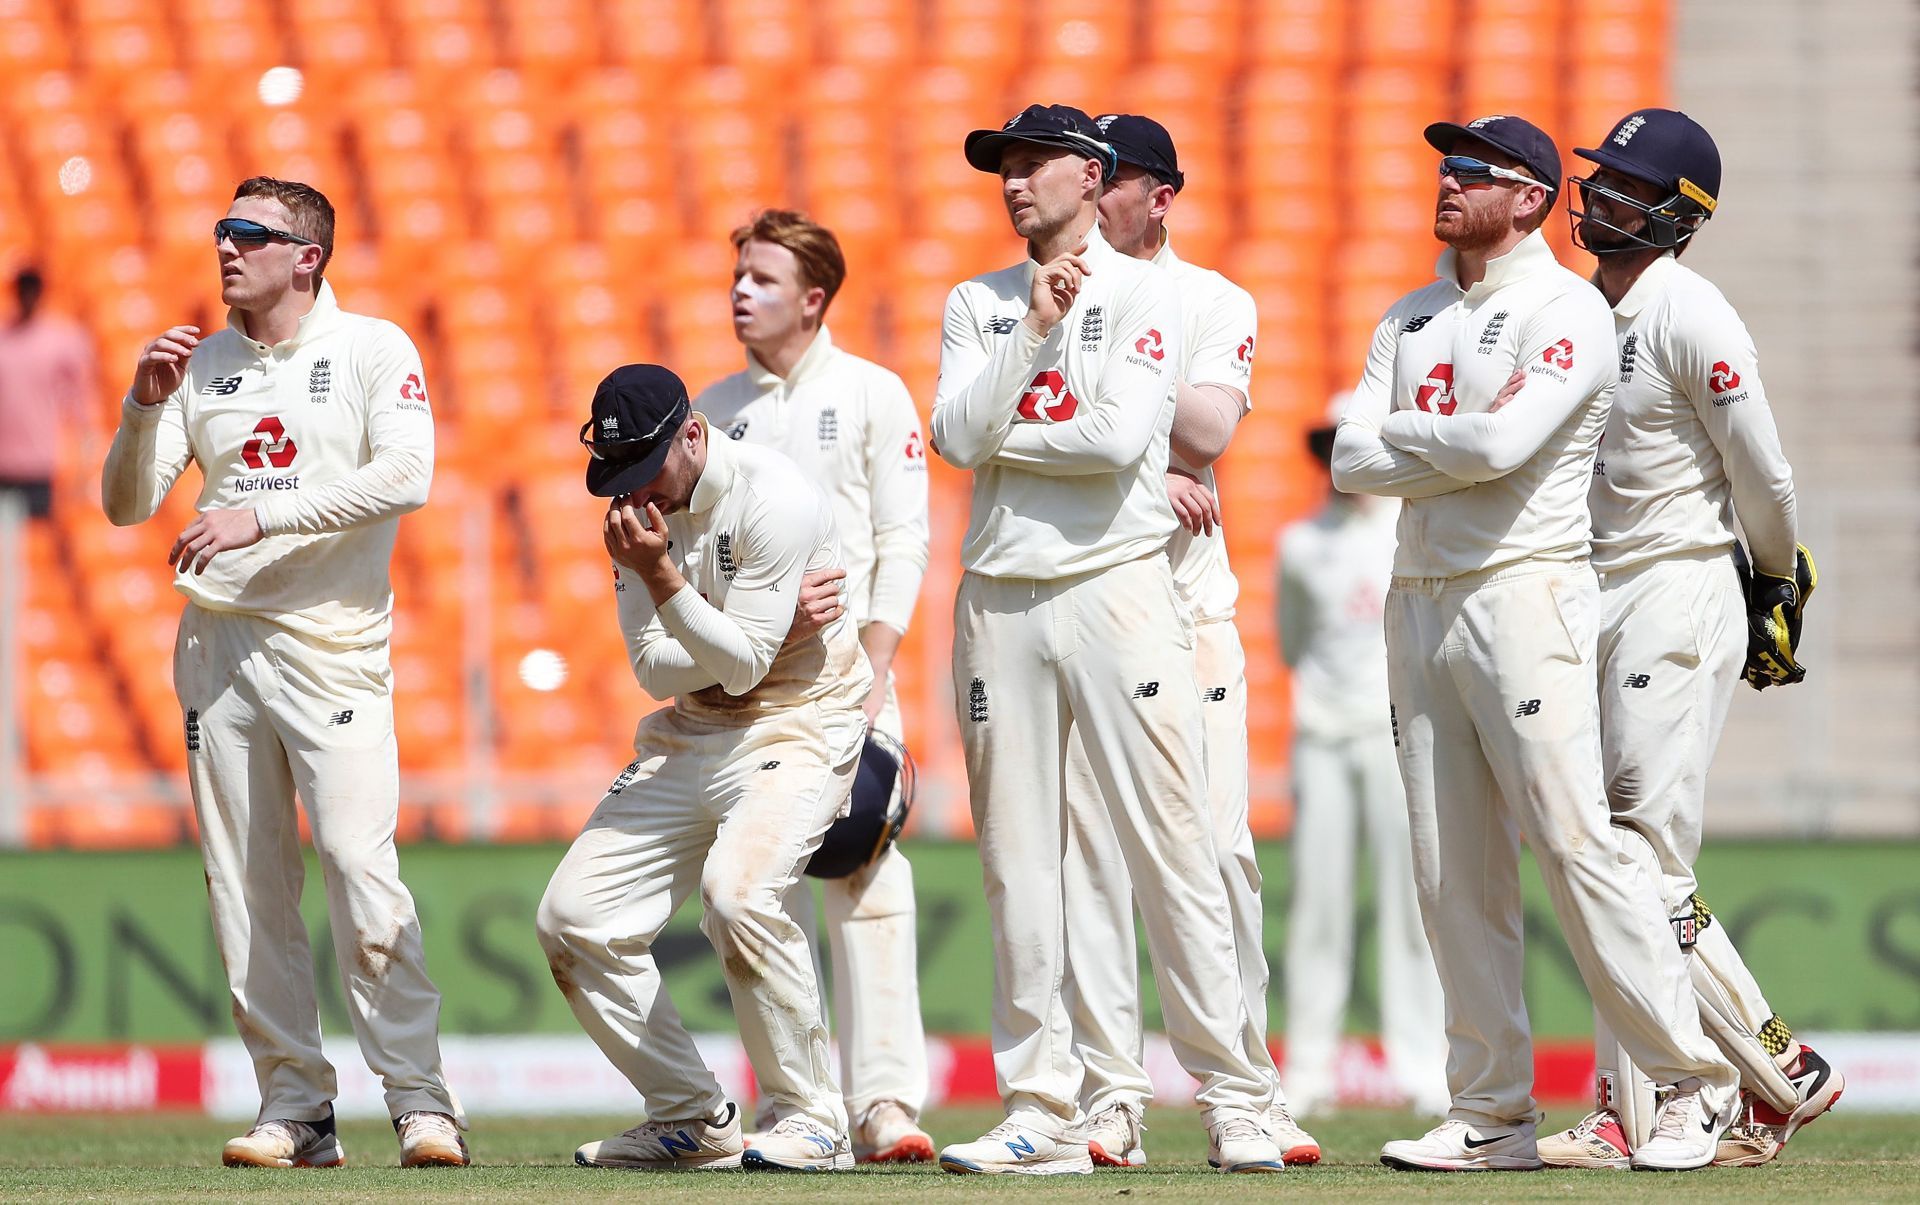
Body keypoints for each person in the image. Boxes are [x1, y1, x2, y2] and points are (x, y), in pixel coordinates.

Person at [1329, 113, 1741, 1172]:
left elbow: (1501, 443)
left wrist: (1413, 438)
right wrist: (1448, 447)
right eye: (1444, 165)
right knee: (1449, 866)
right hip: (1419, 592)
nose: (1448, 180)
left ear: (1531, 198)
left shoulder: (1565, 308)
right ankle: (1492, 1111)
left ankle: (1690, 1088)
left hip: (1524, 592)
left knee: (1576, 843)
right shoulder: (1412, 313)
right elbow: (1346, 459)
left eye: (1475, 170)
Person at [931, 103, 1284, 1176]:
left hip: (1115, 585)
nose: (1013, 182)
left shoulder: (1151, 295)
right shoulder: (979, 300)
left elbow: (1119, 438)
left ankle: (1239, 1096)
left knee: (1176, 845)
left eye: (1034, 164)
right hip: (997, 593)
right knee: (1021, 860)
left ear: (1091, 176)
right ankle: (1046, 1105)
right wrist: (1032, 340)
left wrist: (1007, 431)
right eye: (1003, 166)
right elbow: (950, 436)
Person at [99, 177, 467, 1169]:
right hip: (219, 646)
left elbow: (409, 472)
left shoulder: (371, 348)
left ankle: (422, 1101)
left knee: (358, 867)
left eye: (249, 234)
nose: (225, 247)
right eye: (222, 230)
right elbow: (127, 506)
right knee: (246, 883)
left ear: (307, 255)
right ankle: (296, 1106)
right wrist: (142, 408)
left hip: (332, 637)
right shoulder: (206, 360)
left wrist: (262, 513)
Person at [1535, 107, 1843, 1171]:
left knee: (1640, 863)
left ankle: (1765, 1069)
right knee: (1602, 857)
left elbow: (1766, 473)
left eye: (1626, 186)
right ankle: (1653, 1102)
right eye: (1599, 180)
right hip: (1596, 588)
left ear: (1677, 214)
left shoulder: (1693, 313)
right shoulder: (1580, 311)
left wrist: (1771, 581)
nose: (1600, 198)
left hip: (1677, 587)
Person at [1056, 113, 1317, 1168]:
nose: (1089, 188)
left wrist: (1120, 433)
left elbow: (1206, 433)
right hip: (1080, 604)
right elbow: (1022, 426)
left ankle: (1240, 1086)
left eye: (1109, 175)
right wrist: (1134, 456)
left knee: (1215, 852)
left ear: (1159, 195)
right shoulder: (1054, 289)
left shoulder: (1213, 299)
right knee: (1088, 862)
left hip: (1186, 608)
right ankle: (1109, 1096)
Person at [536, 364, 872, 1172]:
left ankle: (812, 1119)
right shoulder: (631, 517)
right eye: (616, 479)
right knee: (572, 920)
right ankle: (691, 1117)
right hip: (688, 730)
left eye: (643, 472)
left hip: (798, 720)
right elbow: (653, 672)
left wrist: (667, 583)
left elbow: (751, 667)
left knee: (739, 893)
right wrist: (743, 631)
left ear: (693, 436)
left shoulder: (774, 497)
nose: (631, 498)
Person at [693, 208, 936, 1163]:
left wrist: (877, 665)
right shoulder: (714, 412)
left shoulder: (875, 394)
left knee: (866, 867)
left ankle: (884, 1101)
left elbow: (903, 540)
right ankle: (800, 1101)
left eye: (761, 277)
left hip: (850, 677)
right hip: (752, 688)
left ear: (815, 296)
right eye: (738, 277)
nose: (740, 292)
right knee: (760, 884)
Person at [1277, 406, 1449, 1122]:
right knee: (1318, 903)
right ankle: (1309, 1066)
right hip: (1321, 733)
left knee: (1412, 903)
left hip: (1393, 731)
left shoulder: (1403, 528)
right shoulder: (1299, 543)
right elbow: (1291, 640)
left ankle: (1422, 1064)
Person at [0, 266, 97, 518]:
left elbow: (80, 401)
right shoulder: (4, 339)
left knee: (40, 541)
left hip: (41, 462)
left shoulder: (62, 339)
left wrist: (84, 460)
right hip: (4, 460)